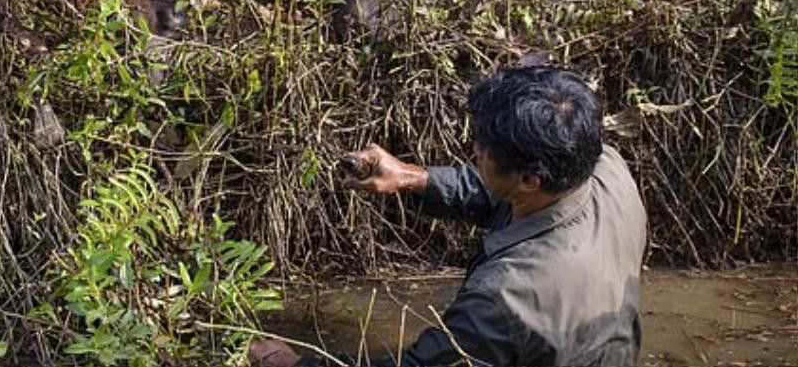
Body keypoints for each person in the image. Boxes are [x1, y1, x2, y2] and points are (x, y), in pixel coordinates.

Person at [249, 65, 647, 367]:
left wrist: (297, 364)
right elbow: (506, 196)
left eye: (483, 148)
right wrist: (412, 178)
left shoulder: (506, 297)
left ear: (528, 177)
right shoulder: (603, 166)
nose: (474, 150)